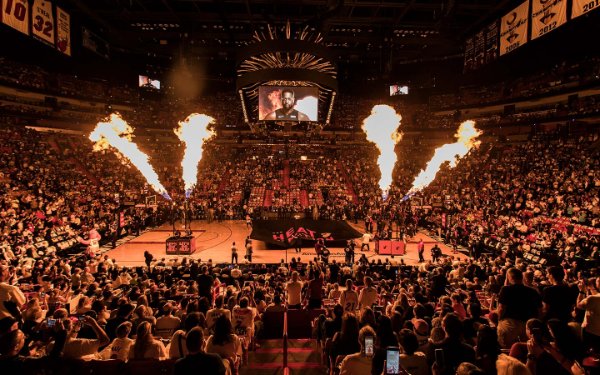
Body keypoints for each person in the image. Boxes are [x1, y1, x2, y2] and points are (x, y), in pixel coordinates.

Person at [497, 268, 542, 349]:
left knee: (508, 349)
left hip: (509, 324)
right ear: (522, 277)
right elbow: (539, 310)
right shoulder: (532, 291)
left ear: (509, 277)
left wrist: (499, 320)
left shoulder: (506, 289)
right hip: (527, 325)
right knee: (526, 349)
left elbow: (501, 308)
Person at [577, 277, 600, 352]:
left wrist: (581, 291)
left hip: (591, 331)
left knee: (590, 352)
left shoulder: (593, 299)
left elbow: (579, 305)